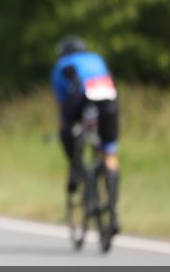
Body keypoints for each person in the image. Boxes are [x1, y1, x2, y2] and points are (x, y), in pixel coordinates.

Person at [51, 35, 121, 234]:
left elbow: (64, 101)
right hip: (110, 99)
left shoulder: (62, 65)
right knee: (109, 155)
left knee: (66, 128)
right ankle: (113, 211)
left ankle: (76, 168)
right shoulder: (97, 58)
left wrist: (66, 123)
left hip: (83, 98)